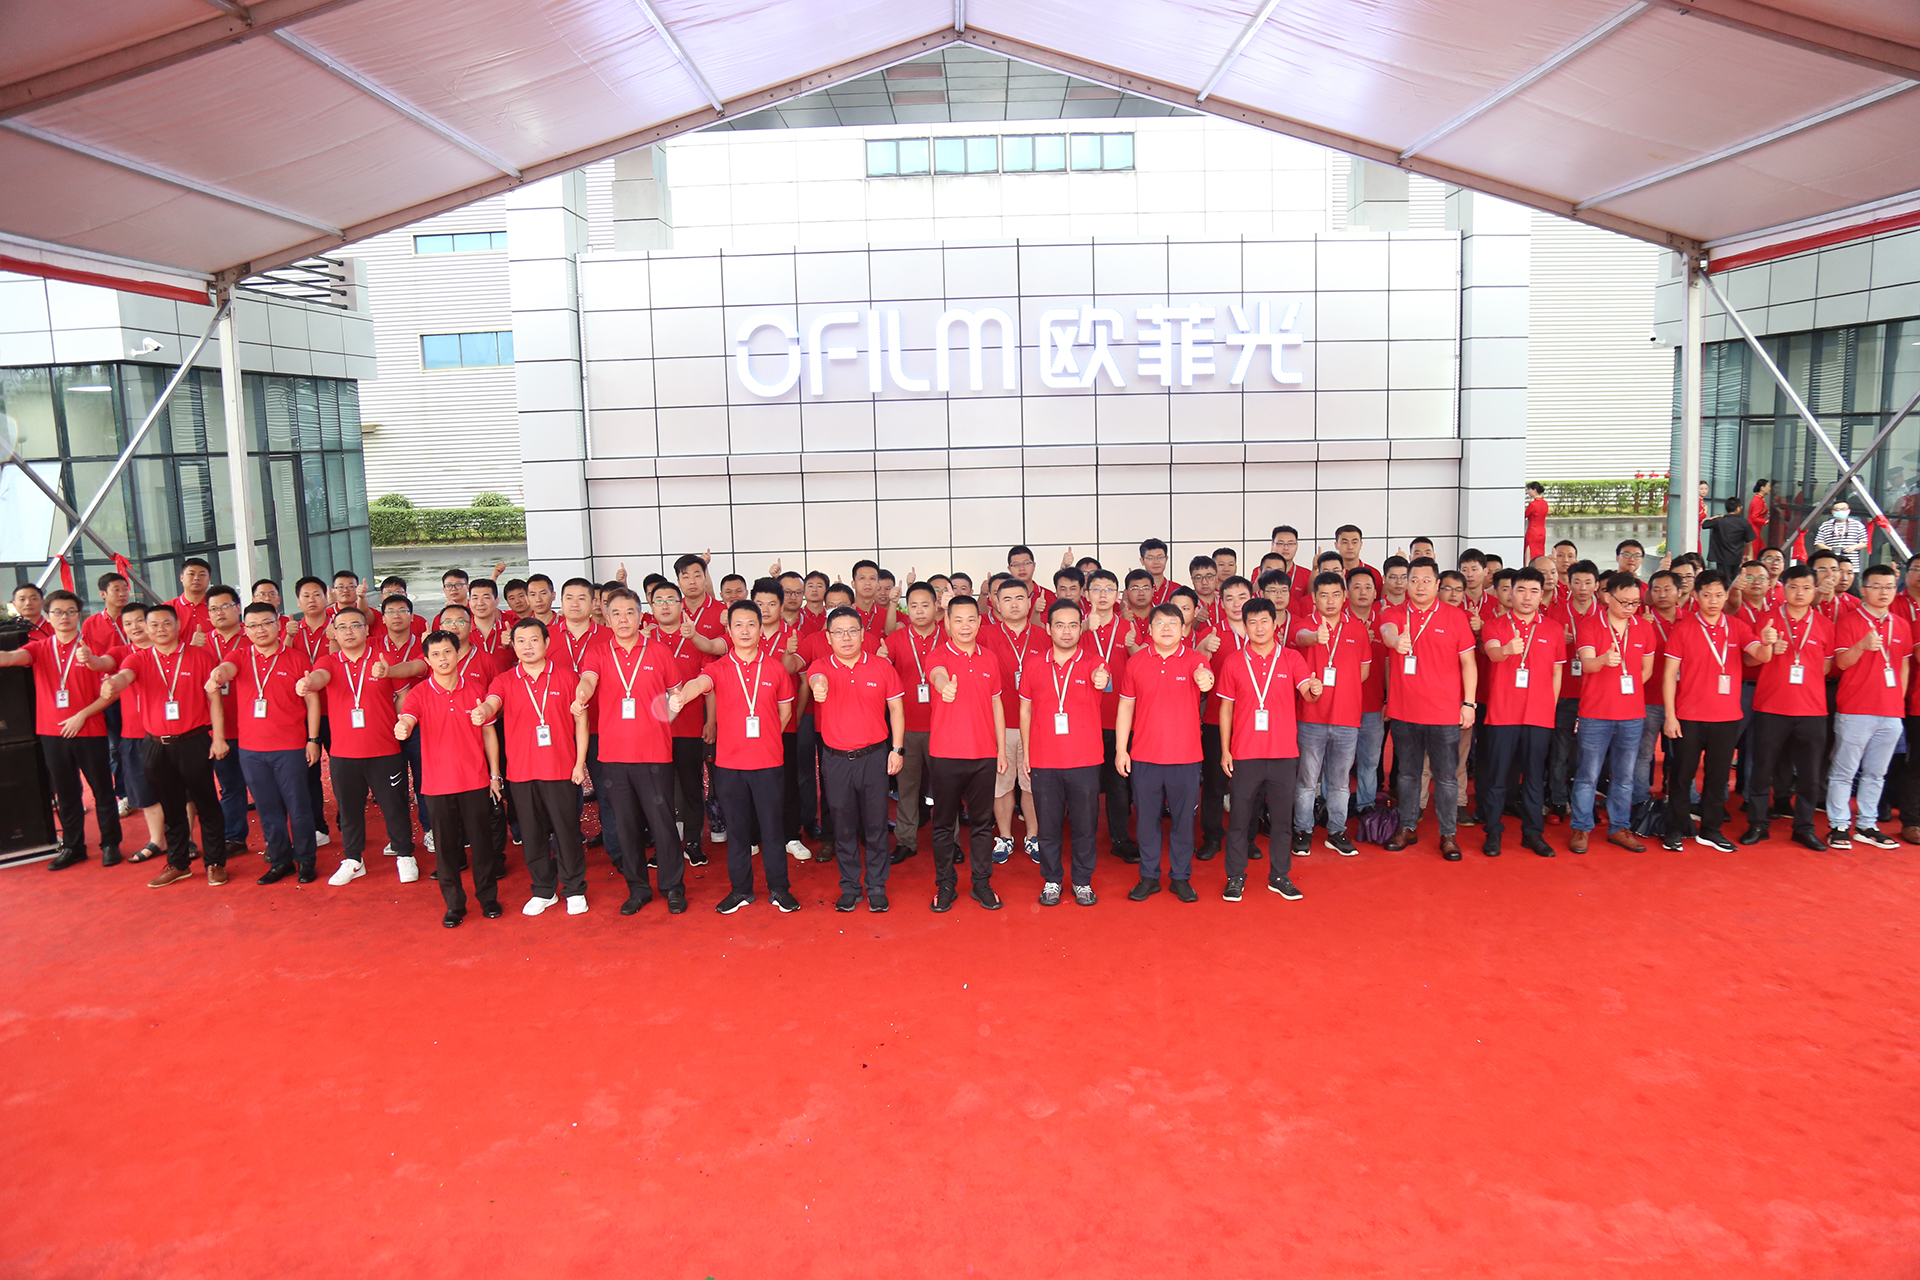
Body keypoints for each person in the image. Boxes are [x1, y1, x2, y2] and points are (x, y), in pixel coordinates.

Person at [668, 601, 799, 914]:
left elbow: (785, 711)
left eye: (751, 624)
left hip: (768, 764)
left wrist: (767, 738)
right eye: (738, 625)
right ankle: (741, 890)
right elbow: (700, 683)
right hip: (730, 766)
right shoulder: (719, 668)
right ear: (728, 630)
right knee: (738, 832)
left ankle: (779, 889)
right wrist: (683, 695)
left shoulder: (775, 669)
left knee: (772, 830)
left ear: (760, 629)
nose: (745, 630)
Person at [573, 587, 689, 915]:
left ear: (640, 616)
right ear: (607, 618)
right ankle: (638, 888)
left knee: (663, 824)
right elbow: (588, 679)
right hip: (613, 756)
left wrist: (661, 721)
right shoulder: (597, 652)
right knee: (626, 826)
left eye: (630, 613)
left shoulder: (659, 652)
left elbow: (676, 694)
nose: (623, 619)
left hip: (654, 754)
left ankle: (673, 887)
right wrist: (581, 693)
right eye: (616, 613)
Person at [98, 604, 228, 887]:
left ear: (177, 625)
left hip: (194, 740)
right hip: (156, 745)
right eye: (154, 625)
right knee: (171, 807)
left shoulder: (200, 657)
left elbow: (215, 700)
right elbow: (124, 676)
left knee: (206, 804)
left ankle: (215, 863)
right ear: (146, 628)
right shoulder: (138, 659)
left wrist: (218, 738)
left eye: (166, 623)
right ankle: (179, 864)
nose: (160, 629)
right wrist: (113, 684)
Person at [476, 617, 592, 914]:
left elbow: (581, 723)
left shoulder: (567, 677)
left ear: (546, 643)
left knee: (567, 831)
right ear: (513, 646)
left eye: (534, 640)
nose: (528, 646)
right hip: (521, 772)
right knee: (532, 834)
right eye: (521, 641)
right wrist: (484, 710)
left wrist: (579, 763)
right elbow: (492, 702)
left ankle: (574, 889)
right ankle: (543, 890)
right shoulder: (504, 680)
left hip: (560, 769)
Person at [297, 607, 419, 887]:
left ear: (366, 629)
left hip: (385, 749)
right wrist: (308, 682)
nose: (349, 631)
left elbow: (403, 694)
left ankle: (404, 854)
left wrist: (402, 722)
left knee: (395, 805)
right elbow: (320, 677)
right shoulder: (329, 661)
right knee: (349, 809)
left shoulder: (383, 659)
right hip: (344, 753)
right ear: (335, 632)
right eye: (342, 627)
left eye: (355, 625)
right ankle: (353, 859)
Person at [0, 589, 121, 868]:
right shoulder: (39, 648)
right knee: (65, 794)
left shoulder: (93, 648)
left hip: (90, 729)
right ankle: (73, 846)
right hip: (51, 733)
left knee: (102, 790)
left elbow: (111, 693)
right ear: (48, 615)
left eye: (70, 612)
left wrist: (82, 716)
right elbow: (8, 658)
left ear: (79, 615)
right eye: (57, 612)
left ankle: (110, 844)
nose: (64, 617)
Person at [207, 601, 321, 884]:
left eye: (267, 623)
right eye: (254, 625)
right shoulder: (240, 655)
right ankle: (281, 861)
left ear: (278, 625)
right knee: (267, 809)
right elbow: (227, 668)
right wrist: (218, 675)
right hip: (251, 749)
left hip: (290, 747)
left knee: (298, 807)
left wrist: (313, 739)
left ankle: (306, 860)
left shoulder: (297, 659)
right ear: (245, 629)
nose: (261, 630)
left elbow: (312, 701)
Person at [397, 630, 505, 925]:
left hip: (475, 780)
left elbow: (489, 733)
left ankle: (488, 897)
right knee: (445, 849)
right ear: (427, 660)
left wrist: (495, 774)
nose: (442, 658)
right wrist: (403, 726)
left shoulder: (476, 689)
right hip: (437, 784)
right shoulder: (419, 693)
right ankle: (454, 904)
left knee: (482, 844)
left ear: (458, 654)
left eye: (447, 652)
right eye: (435, 654)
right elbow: (408, 717)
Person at [1218, 596, 1319, 899]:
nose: (1259, 627)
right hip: (1245, 753)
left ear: (1276, 624)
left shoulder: (1291, 658)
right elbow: (1226, 709)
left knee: (1282, 820)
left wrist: (1314, 690)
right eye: (1253, 622)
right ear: (1245, 626)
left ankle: (1279, 875)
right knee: (1239, 819)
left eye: (1265, 621)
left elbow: (1307, 693)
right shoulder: (1233, 662)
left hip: (1283, 754)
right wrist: (1225, 750)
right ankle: (1235, 876)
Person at [806, 605, 906, 912]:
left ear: (863, 634)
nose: (846, 637)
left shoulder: (881, 667)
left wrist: (897, 749)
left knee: (876, 825)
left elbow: (896, 709)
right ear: (828, 637)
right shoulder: (821, 666)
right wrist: (819, 686)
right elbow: (816, 678)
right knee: (844, 826)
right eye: (839, 632)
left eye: (852, 631)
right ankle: (850, 885)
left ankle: (876, 885)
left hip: (874, 757)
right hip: (836, 760)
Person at [1114, 602, 1215, 901]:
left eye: (1173, 623)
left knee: (1183, 821)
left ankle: (1181, 877)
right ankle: (1149, 876)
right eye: (1160, 623)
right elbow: (1126, 706)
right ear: (1150, 629)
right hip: (1145, 756)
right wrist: (1121, 749)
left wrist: (1205, 681)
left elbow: (1207, 680)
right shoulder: (1136, 662)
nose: (1167, 628)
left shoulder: (1196, 660)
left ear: (1184, 630)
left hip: (1186, 757)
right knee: (1146, 820)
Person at [1380, 560, 1479, 859]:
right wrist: (1396, 641)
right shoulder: (1395, 613)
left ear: (1437, 584)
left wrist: (1469, 703)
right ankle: (1407, 827)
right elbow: (1386, 631)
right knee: (1407, 775)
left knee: (1446, 776)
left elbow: (1469, 663)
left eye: (1426, 580)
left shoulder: (1455, 616)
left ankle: (1448, 834)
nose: (1419, 586)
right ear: (1406, 583)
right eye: (1414, 580)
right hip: (1405, 711)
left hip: (1444, 713)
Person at [1660, 571, 1765, 852]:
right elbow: (1669, 675)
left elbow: (1761, 655)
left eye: (1719, 595)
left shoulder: (1737, 626)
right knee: (1682, 775)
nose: (1713, 601)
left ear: (1727, 596)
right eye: (1707, 595)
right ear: (1696, 596)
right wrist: (1670, 716)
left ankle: (1711, 829)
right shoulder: (1684, 628)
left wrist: (1767, 641)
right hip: (1689, 716)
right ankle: (1675, 828)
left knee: (1718, 778)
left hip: (1727, 717)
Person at [1018, 598, 1108, 906]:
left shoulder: (1094, 662)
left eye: (1072, 625)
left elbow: (1103, 677)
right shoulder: (1033, 664)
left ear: (1081, 628)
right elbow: (1025, 710)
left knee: (1085, 827)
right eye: (1060, 625)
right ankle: (1052, 880)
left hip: (1085, 760)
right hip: (1045, 759)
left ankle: (1082, 881)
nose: (1066, 631)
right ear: (1048, 628)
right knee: (1048, 827)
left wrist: (1102, 679)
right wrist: (1027, 753)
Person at [924, 595, 1008, 910]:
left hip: (984, 755)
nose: (964, 626)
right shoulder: (937, 655)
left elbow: (997, 704)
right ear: (946, 623)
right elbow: (936, 674)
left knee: (983, 824)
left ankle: (982, 883)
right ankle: (945, 884)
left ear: (979, 621)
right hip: (946, 755)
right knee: (944, 824)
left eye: (971, 619)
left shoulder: (989, 659)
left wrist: (1001, 750)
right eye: (957, 619)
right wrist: (944, 685)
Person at [1740, 564, 1831, 849]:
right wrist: (1768, 649)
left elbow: (1827, 667)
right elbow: (1750, 660)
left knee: (1809, 774)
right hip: (1771, 707)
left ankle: (1803, 827)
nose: (1800, 593)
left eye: (1806, 588)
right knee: (1761, 768)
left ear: (1815, 590)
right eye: (1793, 587)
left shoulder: (1825, 624)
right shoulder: (1767, 619)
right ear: (1783, 589)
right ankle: (1757, 823)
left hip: (1812, 710)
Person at [1479, 567, 1564, 858]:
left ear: (1542, 595)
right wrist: (1507, 649)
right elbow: (1492, 653)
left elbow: (1557, 673)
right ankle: (1493, 831)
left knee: (1534, 777)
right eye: (1521, 590)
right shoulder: (1495, 624)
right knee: (1497, 777)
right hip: (1502, 714)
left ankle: (1533, 833)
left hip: (1539, 716)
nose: (1527, 597)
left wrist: (1550, 708)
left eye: (1534, 591)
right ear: (1510, 593)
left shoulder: (1553, 629)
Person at [1825, 564, 1911, 849]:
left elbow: (1904, 665)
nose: (1884, 592)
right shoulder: (1849, 622)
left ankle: (1866, 824)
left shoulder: (1901, 624)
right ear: (1863, 590)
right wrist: (1861, 646)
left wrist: (1898, 699)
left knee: (1877, 773)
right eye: (1876, 586)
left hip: (1890, 711)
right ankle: (1838, 825)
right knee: (1844, 771)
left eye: (1889, 587)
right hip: (1855, 709)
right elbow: (1841, 663)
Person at [1570, 572, 1657, 852]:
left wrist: (1627, 691)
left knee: (1624, 776)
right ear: (1608, 597)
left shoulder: (1644, 628)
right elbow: (1586, 665)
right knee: (1588, 775)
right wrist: (1603, 660)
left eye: (1635, 603)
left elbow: (1647, 669)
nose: (1630, 608)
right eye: (1624, 602)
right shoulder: (1589, 625)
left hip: (1632, 714)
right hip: (1595, 713)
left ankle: (1619, 827)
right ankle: (1581, 828)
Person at [1290, 571, 1367, 858]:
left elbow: (1363, 671)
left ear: (1345, 596)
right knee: (1307, 781)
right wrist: (1316, 637)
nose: (1330, 600)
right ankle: (1303, 830)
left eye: (1336, 594)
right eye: (1324, 595)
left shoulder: (1357, 628)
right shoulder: (1304, 624)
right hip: (1311, 717)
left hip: (1347, 718)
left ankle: (1336, 831)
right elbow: (1301, 637)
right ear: (1314, 599)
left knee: (1340, 782)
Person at [980, 577, 1044, 863]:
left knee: (1032, 784)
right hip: (999, 725)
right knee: (1002, 783)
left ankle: (1033, 836)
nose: (1014, 604)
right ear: (995, 603)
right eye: (1006, 599)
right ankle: (1004, 836)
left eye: (1020, 598)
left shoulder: (1044, 635)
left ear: (1030, 602)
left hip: (1037, 725)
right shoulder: (984, 635)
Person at [883, 581, 944, 865]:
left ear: (936, 606)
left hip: (943, 727)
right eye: (914, 606)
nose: (919, 611)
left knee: (945, 791)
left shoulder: (948, 636)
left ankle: (949, 841)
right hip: (906, 728)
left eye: (925, 605)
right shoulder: (896, 639)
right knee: (907, 788)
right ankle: (906, 841)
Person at [1079, 569, 1138, 863]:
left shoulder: (1128, 627)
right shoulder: (1075, 626)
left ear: (1118, 595)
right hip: (1084, 720)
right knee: (1085, 785)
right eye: (1097, 589)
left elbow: (1141, 666)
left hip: (1118, 719)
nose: (1103, 594)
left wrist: (1133, 646)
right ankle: (1084, 839)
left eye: (1109, 589)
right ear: (1086, 594)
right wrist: (1082, 628)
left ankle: (1120, 839)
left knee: (1118, 783)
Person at [200, 585, 253, 858]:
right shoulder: (200, 644)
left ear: (237, 608)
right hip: (215, 728)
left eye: (225, 606)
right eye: (213, 609)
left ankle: (279, 840)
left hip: (253, 726)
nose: (219, 613)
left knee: (265, 788)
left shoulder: (253, 637)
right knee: (230, 786)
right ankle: (234, 837)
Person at [1702, 497, 1755, 573]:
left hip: (1721, 557)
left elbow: (1704, 524)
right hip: (1737, 557)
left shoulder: (1719, 521)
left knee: (1723, 578)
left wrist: (1719, 516)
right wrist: (1749, 555)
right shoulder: (1744, 523)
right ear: (1738, 508)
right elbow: (1749, 541)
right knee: (1735, 578)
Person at [1816, 501, 1872, 572]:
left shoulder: (1857, 525)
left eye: (1843, 509)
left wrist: (1853, 547)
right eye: (1837, 509)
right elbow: (1818, 542)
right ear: (1832, 512)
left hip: (1852, 565)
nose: (1840, 511)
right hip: (1832, 565)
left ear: (1849, 511)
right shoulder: (1825, 525)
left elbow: (1865, 542)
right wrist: (1829, 549)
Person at [1524, 481, 1549, 561]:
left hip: (1532, 531)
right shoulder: (1545, 503)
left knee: (1529, 551)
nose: (1528, 492)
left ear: (1534, 490)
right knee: (1539, 552)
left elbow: (1525, 515)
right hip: (1542, 531)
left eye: (1529, 489)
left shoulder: (1533, 504)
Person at [1748, 479, 1771, 558]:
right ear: (1762, 488)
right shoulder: (1758, 500)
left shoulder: (1759, 499)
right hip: (1754, 531)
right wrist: (1766, 521)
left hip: (1756, 530)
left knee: (1761, 552)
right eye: (1768, 486)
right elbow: (1754, 517)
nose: (1770, 488)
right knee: (1754, 554)